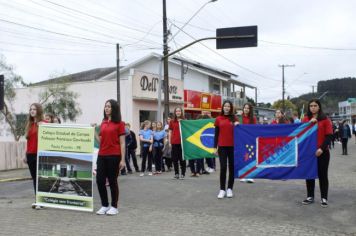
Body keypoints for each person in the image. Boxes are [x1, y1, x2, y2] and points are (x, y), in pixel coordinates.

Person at [95, 99, 126, 215]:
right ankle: (104, 205)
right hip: (102, 155)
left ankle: (114, 206)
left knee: (113, 181)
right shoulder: (103, 122)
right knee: (99, 180)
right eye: (105, 106)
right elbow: (100, 141)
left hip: (114, 155)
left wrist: (123, 160)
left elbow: (122, 143)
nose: (106, 108)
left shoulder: (120, 123)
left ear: (114, 108)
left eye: (109, 106)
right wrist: (94, 131)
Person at [302, 99, 333, 208]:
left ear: (319, 107)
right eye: (311, 106)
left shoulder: (325, 120)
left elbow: (329, 136)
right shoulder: (305, 119)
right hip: (309, 153)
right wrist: (308, 125)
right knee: (309, 174)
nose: (313, 107)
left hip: (322, 152)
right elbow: (300, 134)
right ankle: (310, 196)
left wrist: (321, 149)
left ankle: (324, 198)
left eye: (315, 105)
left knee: (322, 175)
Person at [214, 100, 238, 199]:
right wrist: (214, 147)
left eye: (228, 106)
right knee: (223, 167)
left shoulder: (234, 118)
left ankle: (229, 189)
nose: (227, 108)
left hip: (233, 146)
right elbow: (216, 135)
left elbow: (239, 132)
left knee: (231, 167)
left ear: (231, 108)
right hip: (222, 147)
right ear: (223, 107)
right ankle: (222, 189)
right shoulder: (218, 119)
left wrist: (237, 124)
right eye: (225, 106)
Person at [23, 103, 45, 209]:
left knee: (39, 178)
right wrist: (25, 154)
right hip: (30, 154)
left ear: (38, 111)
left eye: (34, 109)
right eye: (30, 109)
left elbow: (55, 128)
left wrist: (44, 125)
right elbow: (28, 141)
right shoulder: (29, 124)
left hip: (40, 154)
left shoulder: (43, 123)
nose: (32, 111)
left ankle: (40, 201)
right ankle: (38, 200)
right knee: (34, 178)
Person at [239, 103, 257, 184]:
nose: (246, 109)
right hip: (241, 141)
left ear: (250, 110)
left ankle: (251, 176)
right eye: (245, 108)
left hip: (250, 141)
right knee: (243, 157)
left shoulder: (253, 118)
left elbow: (255, 129)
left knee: (250, 157)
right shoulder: (239, 117)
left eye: (248, 108)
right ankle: (243, 175)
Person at [169, 107, 186, 179]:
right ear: (175, 113)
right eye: (177, 111)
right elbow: (170, 132)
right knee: (175, 159)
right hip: (174, 142)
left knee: (182, 159)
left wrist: (182, 122)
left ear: (181, 112)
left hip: (182, 143)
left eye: (179, 111)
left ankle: (183, 174)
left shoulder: (185, 121)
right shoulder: (172, 121)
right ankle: (176, 174)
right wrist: (170, 141)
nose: (178, 112)